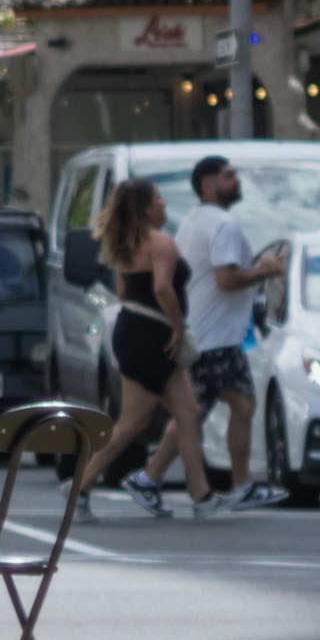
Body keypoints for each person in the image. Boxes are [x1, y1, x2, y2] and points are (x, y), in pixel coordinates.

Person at [78, 178, 208, 520]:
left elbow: (124, 292)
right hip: (155, 335)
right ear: (147, 208)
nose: (164, 204)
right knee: (132, 423)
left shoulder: (124, 245)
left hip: (132, 329)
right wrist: (178, 325)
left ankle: (201, 495)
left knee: (188, 414)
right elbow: (163, 288)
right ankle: (79, 486)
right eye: (159, 198)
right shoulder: (161, 243)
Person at [170, 154, 291, 516]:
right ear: (208, 184)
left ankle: (242, 485)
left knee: (242, 405)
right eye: (227, 176)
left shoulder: (193, 221)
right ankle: (149, 475)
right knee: (191, 415)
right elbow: (226, 279)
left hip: (215, 336)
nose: (235, 180)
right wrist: (264, 271)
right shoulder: (223, 225)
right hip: (212, 340)